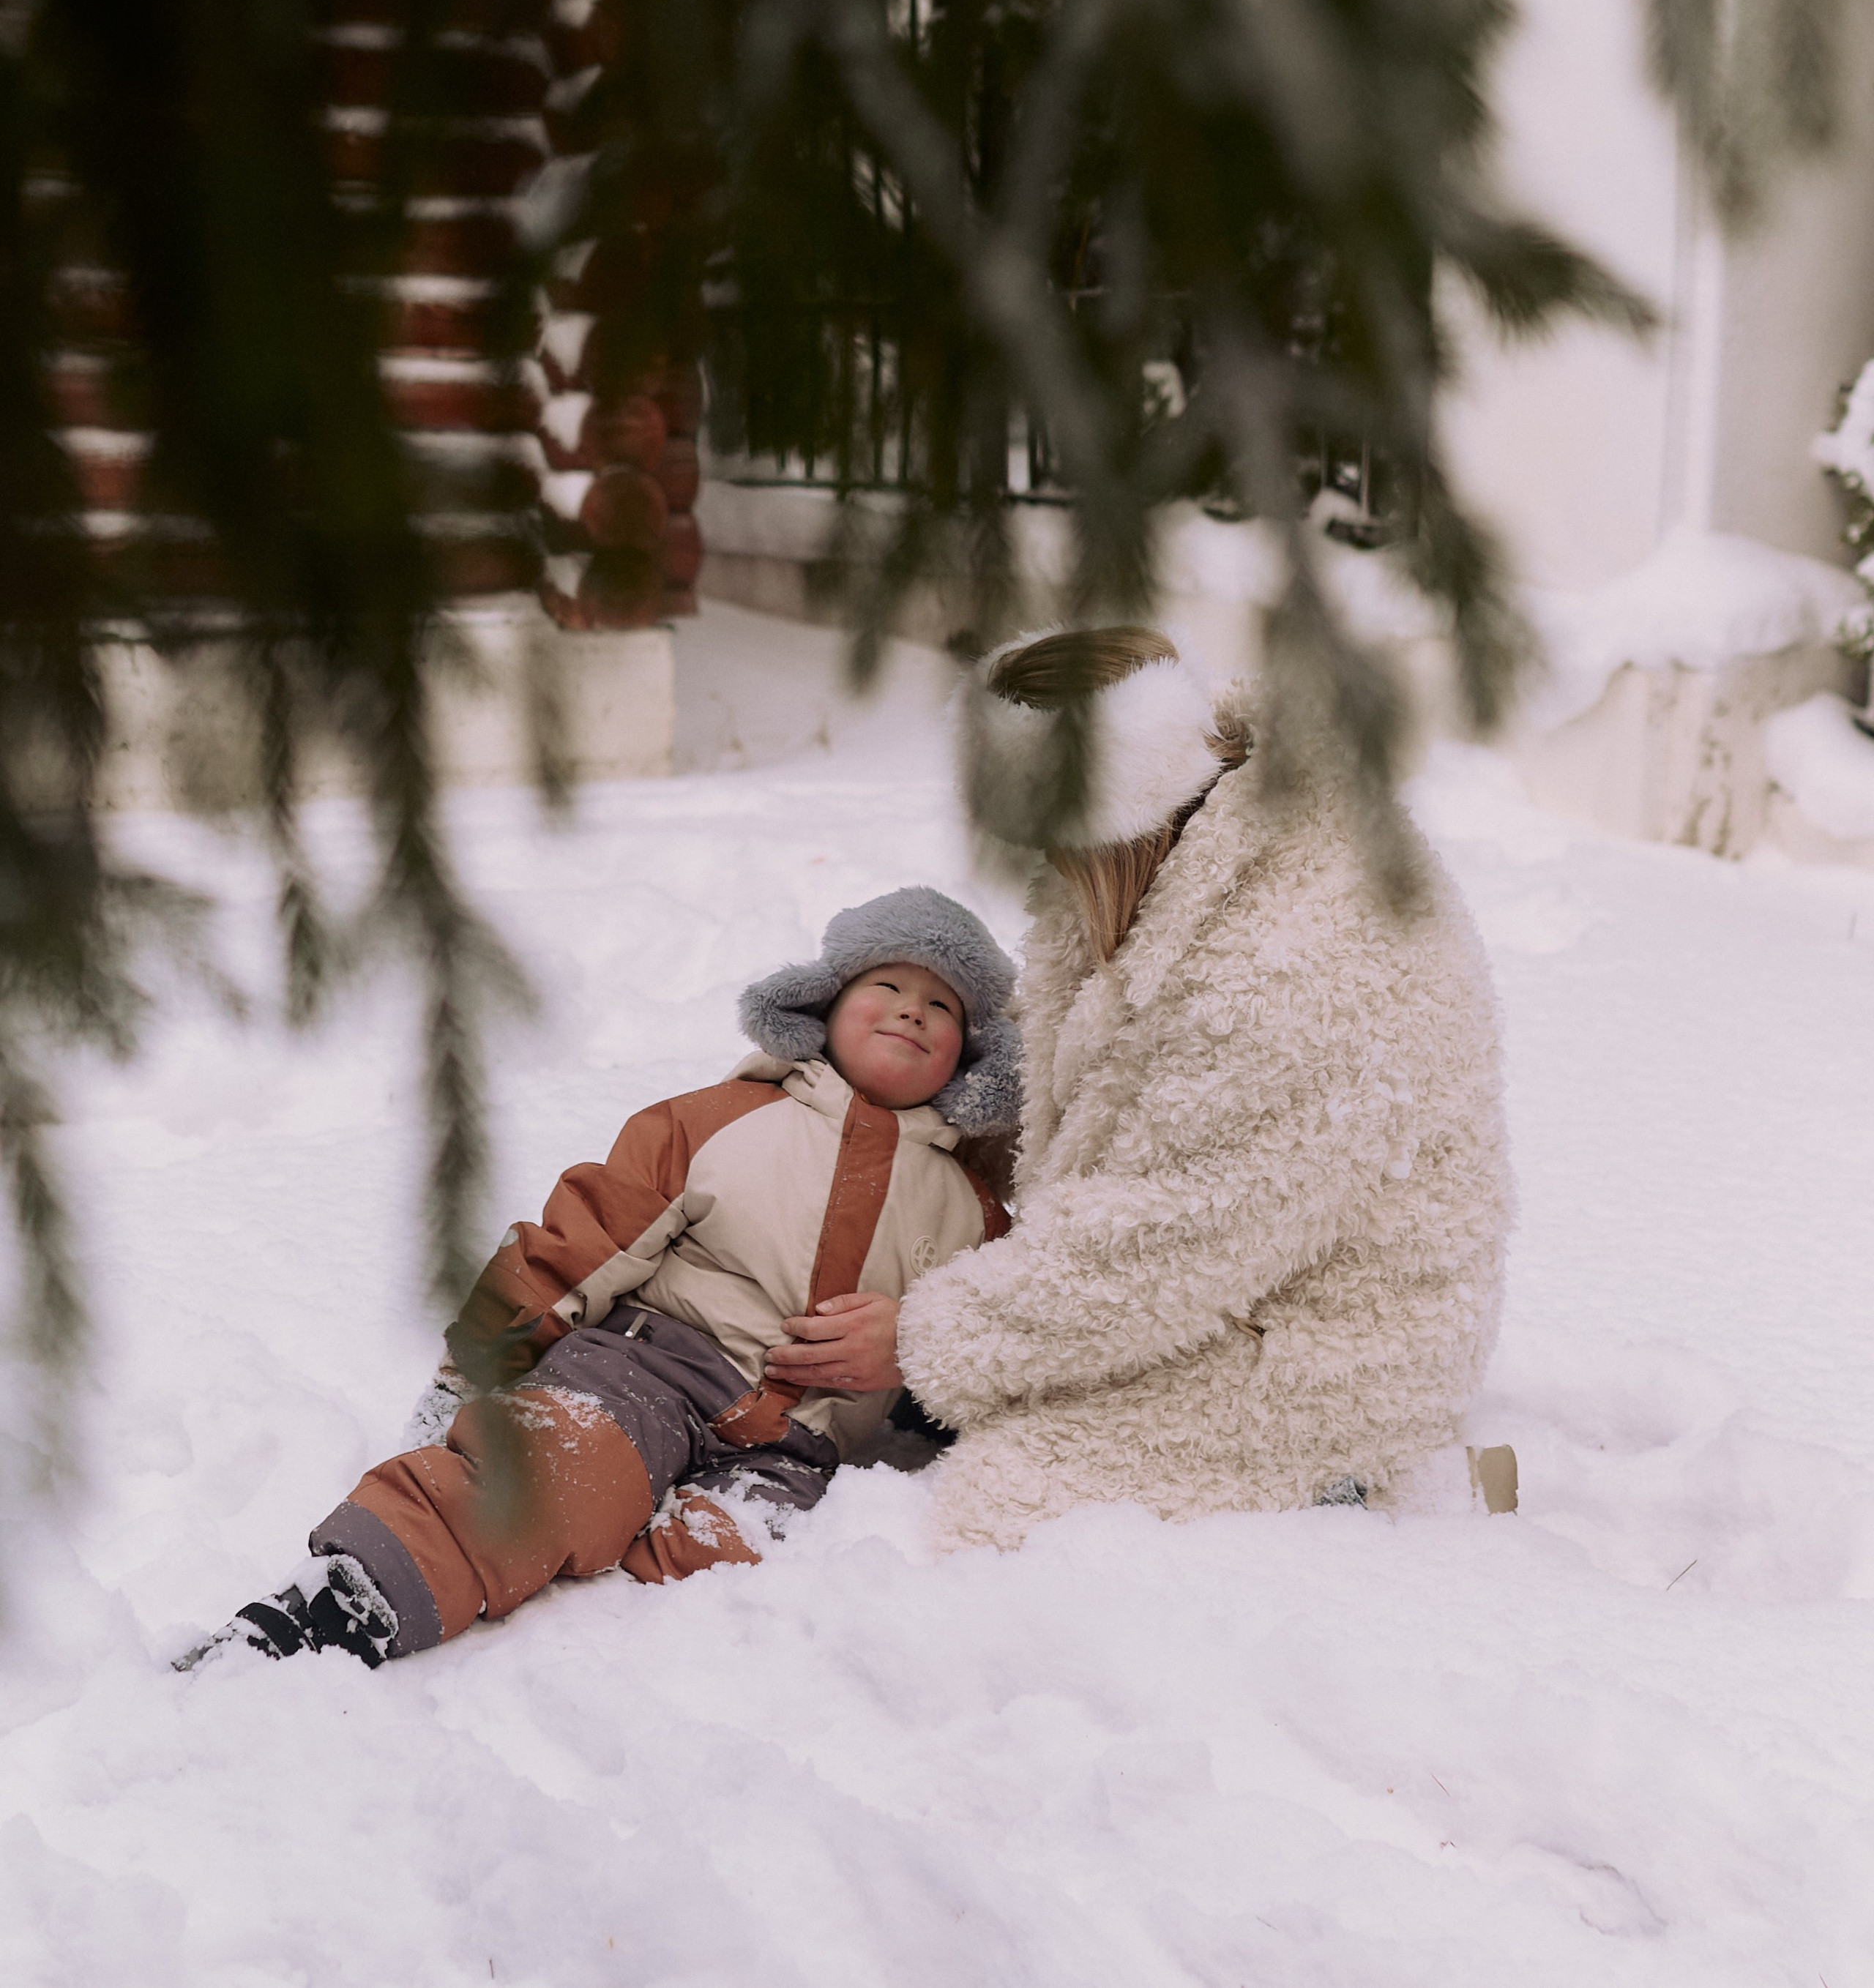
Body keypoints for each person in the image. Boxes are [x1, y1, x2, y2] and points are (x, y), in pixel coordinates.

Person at [182, 888, 1020, 1670]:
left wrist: (918, 1362)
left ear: (972, 1059)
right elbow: (580, 1241)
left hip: (796, 1449)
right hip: (647, 1373)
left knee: (731, 1565)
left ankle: (598, 1641)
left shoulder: (974, 1214)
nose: (913, 1010)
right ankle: (341, 1603)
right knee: (556, 1477)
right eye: (887, 986)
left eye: (941, 1006)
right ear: (822, 1006)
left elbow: (983, 1345)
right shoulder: (721, 1120)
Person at [895, 625, 1515, 1548]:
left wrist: (924, 1340)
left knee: (996, 1516)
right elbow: (1107, 1064)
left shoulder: (1292, 971)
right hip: (1244, 1274)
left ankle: (1352, 1497)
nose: (1045, 870)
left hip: (1323, 1351)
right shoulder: (1196, 832)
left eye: (1052, 845)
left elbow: (1165, 1240)